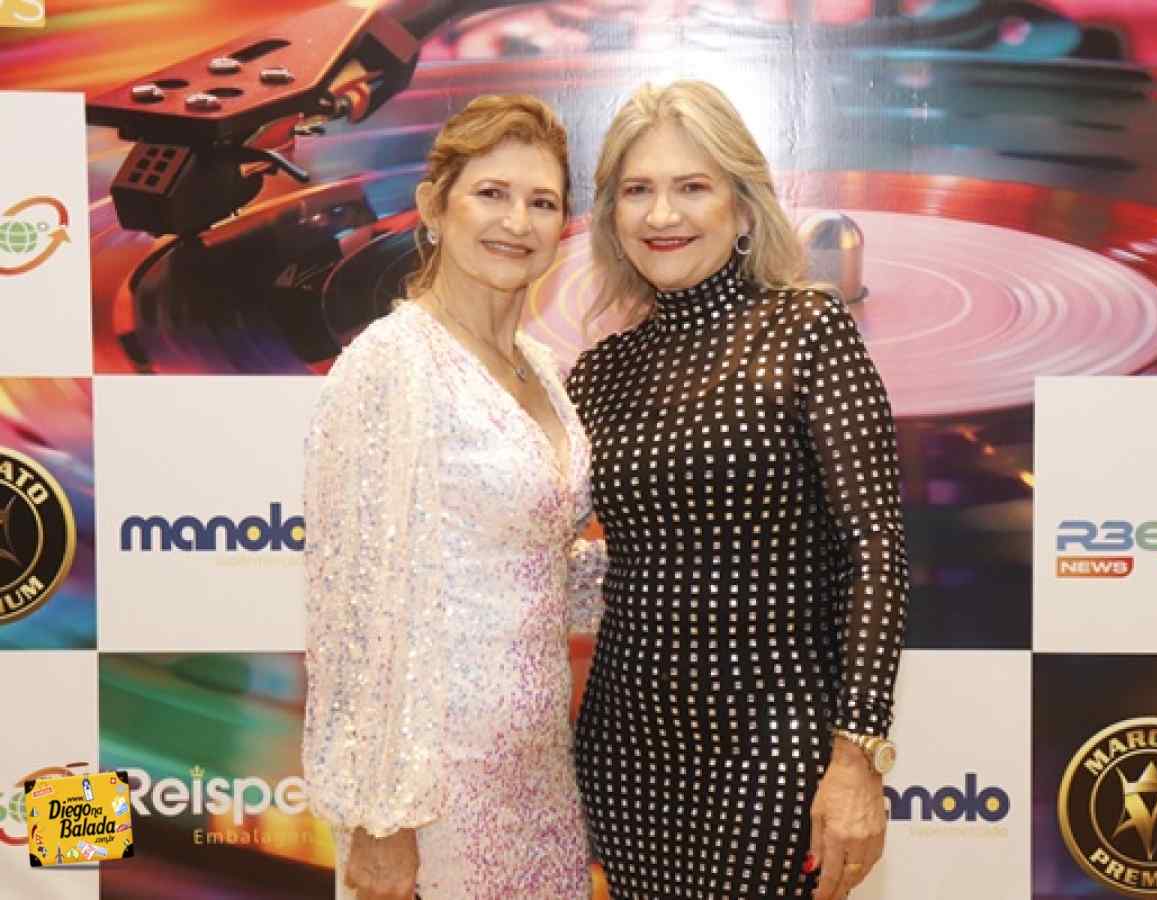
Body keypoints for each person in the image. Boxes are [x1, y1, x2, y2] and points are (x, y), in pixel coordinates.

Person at [567, 80, 910, 900]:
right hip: (627, 749)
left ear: (743, 207)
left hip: (775, 747)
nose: (662, 214)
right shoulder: (600, 373)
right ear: (612, 216)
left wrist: (858, 756)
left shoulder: (807, 331)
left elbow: (874, 549)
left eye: (692, 186)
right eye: (637, 190)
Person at [302, 94, 604, 900]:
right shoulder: (391, 364)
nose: (517, 222)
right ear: (435, 207)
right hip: (432, 790)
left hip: (539, 774)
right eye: (491, 194)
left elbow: (532, 568)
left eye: (542, 202)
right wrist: (381, 821)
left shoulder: (543, 368)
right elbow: (354, 610)